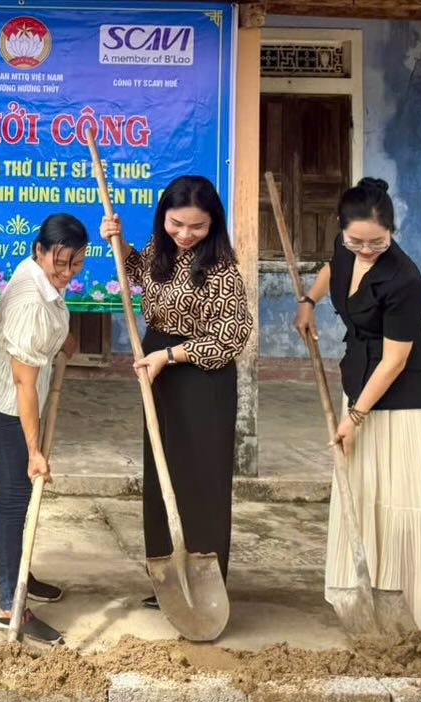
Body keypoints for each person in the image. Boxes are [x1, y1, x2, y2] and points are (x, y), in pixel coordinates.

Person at [293, 177, 421, 640]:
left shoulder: (405, 280)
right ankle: (365, 587)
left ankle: (416, 608)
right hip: (362, 382)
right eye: (357, 240)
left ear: (392, 232)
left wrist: (354, 418)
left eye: (378, 241)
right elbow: (334, 268)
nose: (366, 249)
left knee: (400, 499)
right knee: (366, 490)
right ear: (343, 229)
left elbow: (395, 361)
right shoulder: (344, 245)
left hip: (406, 400)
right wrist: (308, 302)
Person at [100, 176, 253, 610]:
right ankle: (167, 577)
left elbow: (231, 337)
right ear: (163, 218)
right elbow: (136, 270)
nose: (185, 235)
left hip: (201, 376)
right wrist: (119, 242)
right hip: (159, 368)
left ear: (213, 225)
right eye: (176, 224)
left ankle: (206, 584)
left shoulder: (222, 269)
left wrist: (172, 355)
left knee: (200, 478)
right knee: (162, 473)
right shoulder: (160, 249)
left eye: (197, 227)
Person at [0, 213, 87, 643]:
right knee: (15, 496)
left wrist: (63, 341)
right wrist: (35, 451)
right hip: (6, 406)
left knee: (17, 498)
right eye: (59, 263)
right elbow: (24, 384)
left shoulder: (32, 273)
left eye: (75, 263)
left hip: (15, 396)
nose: (66, 273)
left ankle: (20, 573)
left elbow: (51, 328)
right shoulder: (29, 302)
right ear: (39, 251)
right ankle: (8, 606)